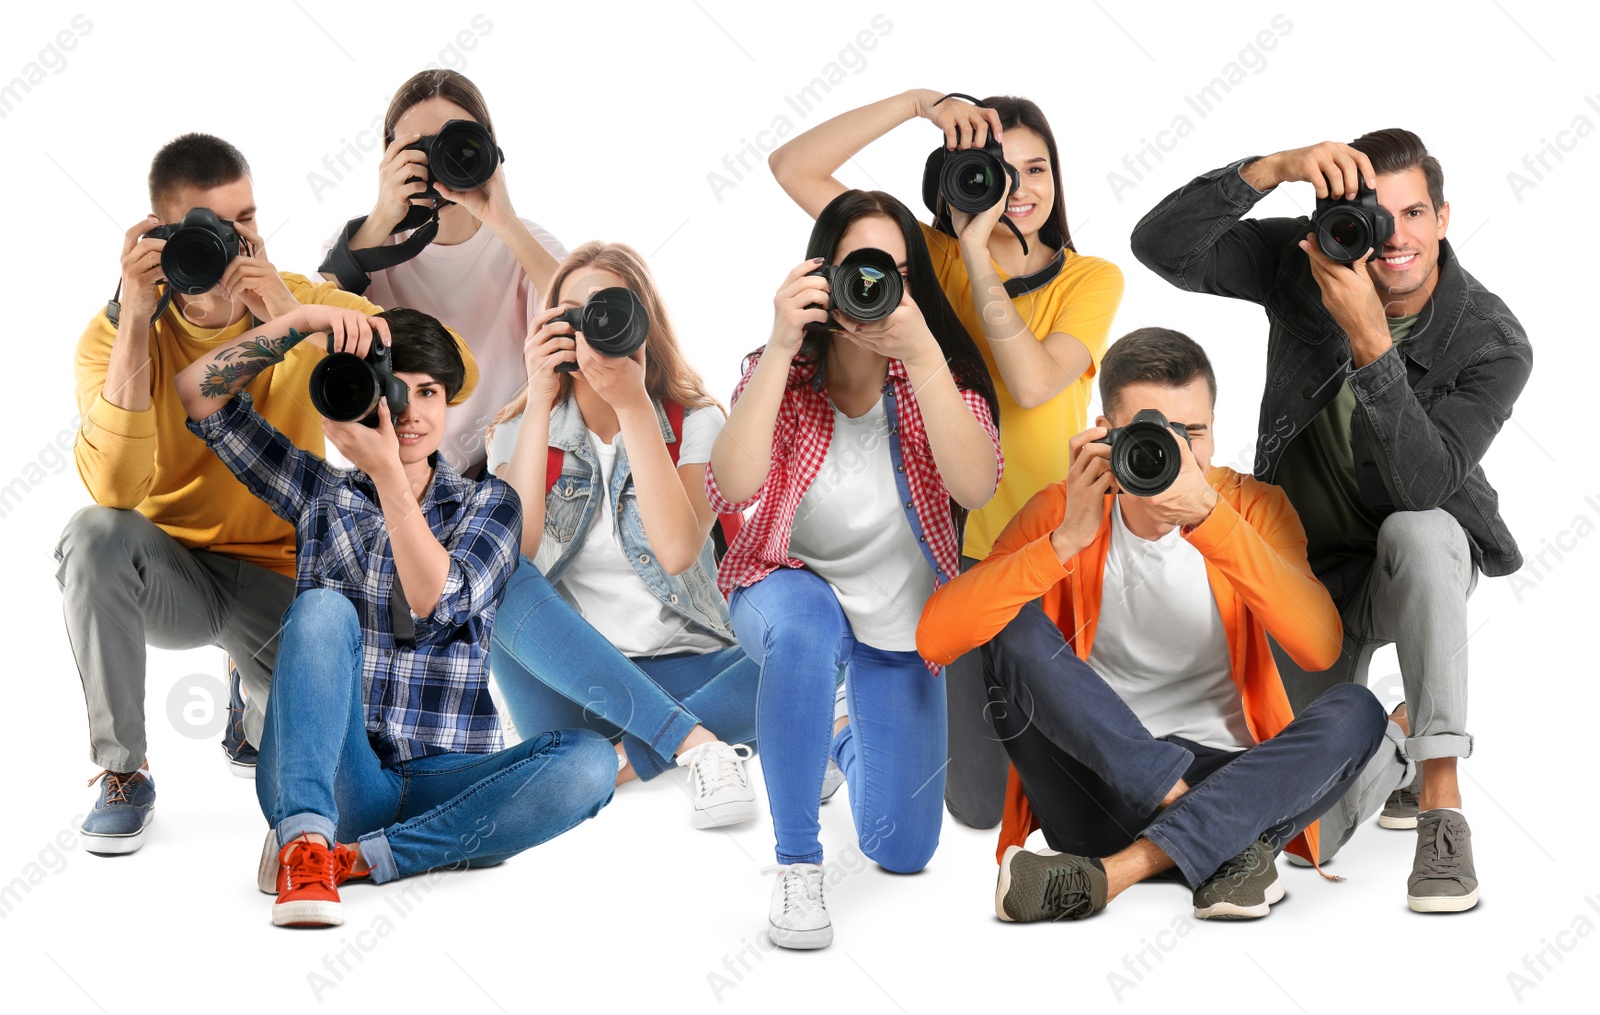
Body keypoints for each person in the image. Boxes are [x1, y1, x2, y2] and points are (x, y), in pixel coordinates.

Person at [1130, 129, 1532, 912]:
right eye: (1372, 217)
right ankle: (1397, 740)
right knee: (1312, 830)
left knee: (1421, 531)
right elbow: (1160, 247)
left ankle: (1442, 799)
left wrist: (1371, 340)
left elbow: (1423, 485)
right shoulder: (1306, 261)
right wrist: (1271, 168)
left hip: (1412, 566)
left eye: (1412, 212)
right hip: (1305, 579)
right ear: (1339, 216)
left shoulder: (1491, 338)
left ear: (1442, 218)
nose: (1393, 237)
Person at [57, 132, 479, 854]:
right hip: (172, 571)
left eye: (247, 219)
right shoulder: (114, 337)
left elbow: (455, 372)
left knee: (350, 754)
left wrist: (289, 312)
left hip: (288, 579)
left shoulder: (300, 299)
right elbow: (115, 488)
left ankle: (250, 708)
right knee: (92, 532)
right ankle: (122, 770)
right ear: (164, 238)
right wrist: (134, 316)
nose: (237, 242)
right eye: (214, 228)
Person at [920, 327, 1394, 922]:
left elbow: (1320, 648)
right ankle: (1224, 840)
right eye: (1153, 433)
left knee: (1359, 710)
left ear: (1214, 432)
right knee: (1008, 622)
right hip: (1097, 783)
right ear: (1106, 435)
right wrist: (1066, 540)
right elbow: (936, 637)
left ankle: (1123, 870)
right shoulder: (1061, 511)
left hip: (1226, 768)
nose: (1178, 450)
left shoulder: (1252, 507)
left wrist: (1210, 520)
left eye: (1192, 432)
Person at [175, 303, 615, 928]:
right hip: (332, 771)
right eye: (394, 390)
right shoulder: (319, 492)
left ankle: (361, 860)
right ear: (362, 396)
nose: (410, 412)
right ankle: (305, 842)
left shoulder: (490, 505)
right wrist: (300, 324)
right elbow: (200, 395)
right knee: (321, 607)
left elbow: (436, 604)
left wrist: (387, 473)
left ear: (450, 402)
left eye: (430, 392)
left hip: (448, 777)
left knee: (591, 762)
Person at [769, 89, 1124, 829]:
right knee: (977, 805)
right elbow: (792, 165)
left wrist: (974, 251)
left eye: (1037, 170)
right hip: (956, 555)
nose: (1018, 190)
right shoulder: (920, 260)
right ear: (958, 175)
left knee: (1069, 775)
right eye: (996, 170)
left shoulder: (1090, 279)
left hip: (1054, 550)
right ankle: (844, 724)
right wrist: (914, 104)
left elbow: (1029, 380)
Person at [707, 189, 1003, 949]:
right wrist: (778, 345)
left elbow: (975, 486)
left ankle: (834, 733)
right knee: (808, 625)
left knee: (902, 848)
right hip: (785, 586)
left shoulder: (940, 376)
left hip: (898, 622)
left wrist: (924, 351)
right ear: (822, 274)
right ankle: (797, 864)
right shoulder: (781, 373)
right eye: (860, 270)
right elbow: (733, 485)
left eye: (895, 272)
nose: (875, 289)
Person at [485, 241, 762, 829]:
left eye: (609, 311)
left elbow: (678, 552)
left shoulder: (696, 420)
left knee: (823, 644)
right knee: (495, 578)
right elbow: (521, 555)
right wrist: (538, 399)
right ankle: (696, 742)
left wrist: (635, 409)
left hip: (684, 665)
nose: (592, 330)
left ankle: (625, 757)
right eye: (575, 316)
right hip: (572, 677)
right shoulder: (518, 428)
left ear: (644, 322)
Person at [320, 68, 565, 476]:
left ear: (489, 147)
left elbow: (582, 322)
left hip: (500, 475)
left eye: (455, 144)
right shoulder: (358, 246)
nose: (438, 162)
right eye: (419, 148)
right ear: (387, 157)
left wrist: (504, 220)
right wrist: (382, 217)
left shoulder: (527, 244)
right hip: (388, 467)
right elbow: (306, 335)